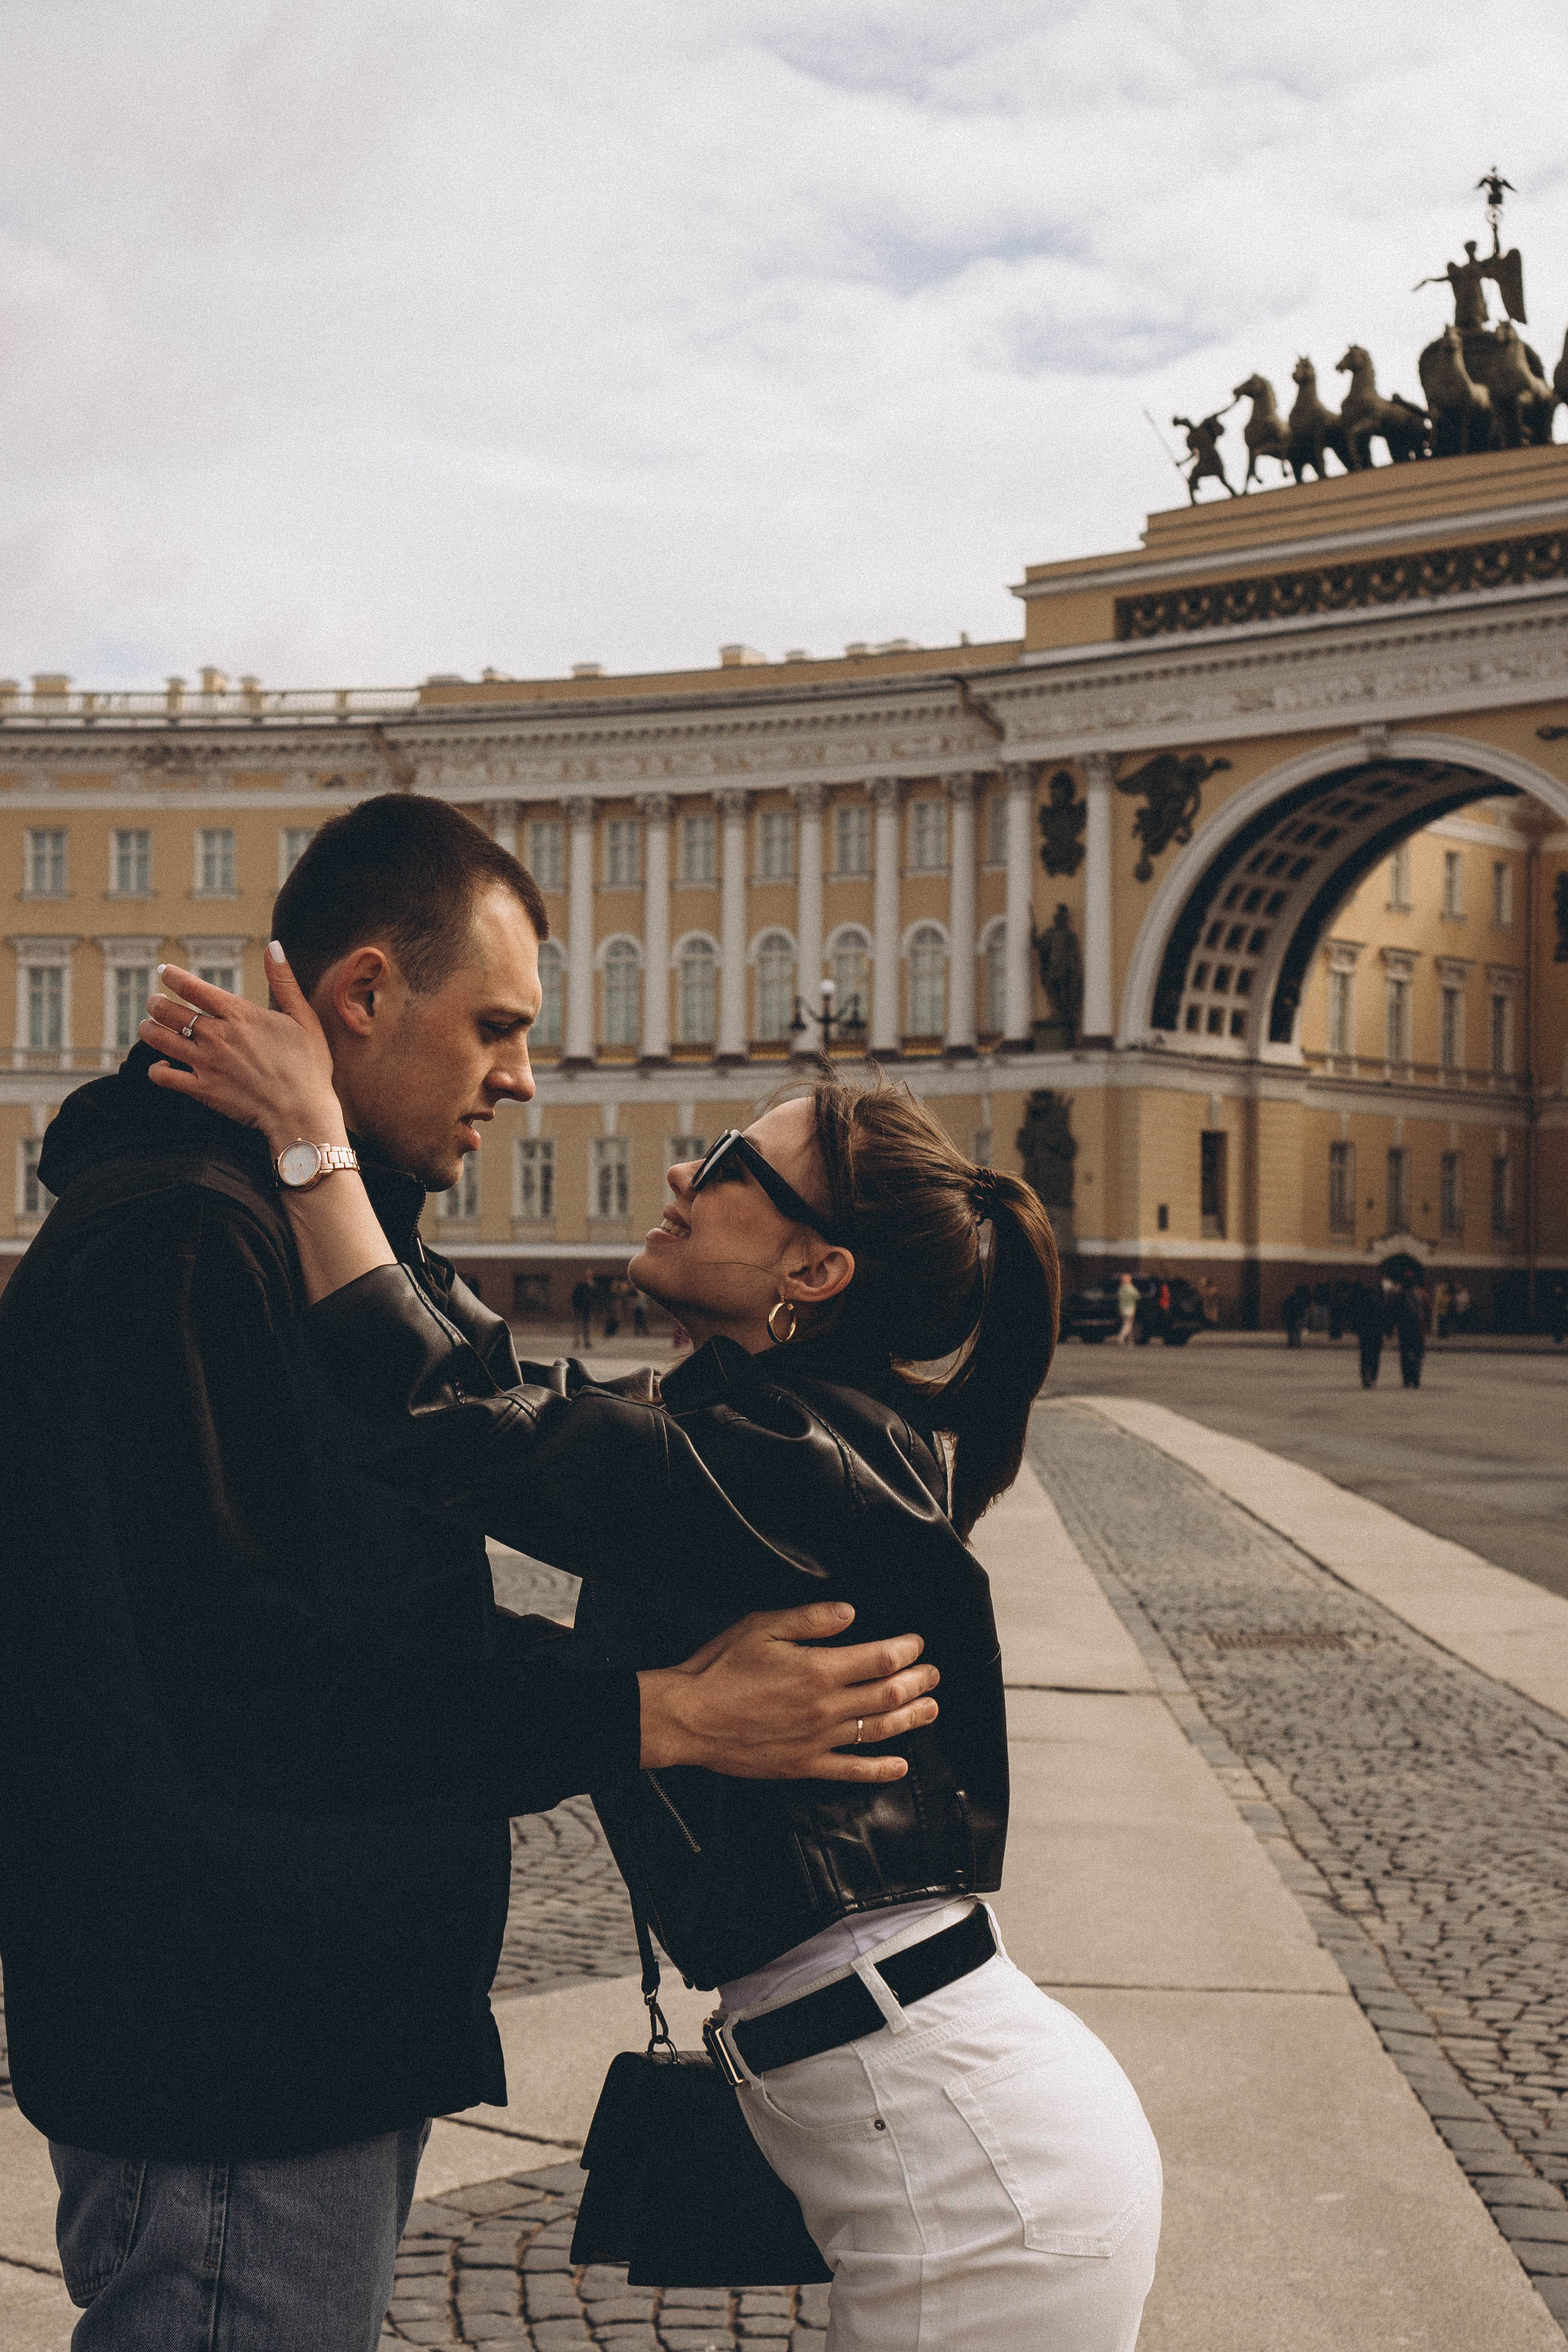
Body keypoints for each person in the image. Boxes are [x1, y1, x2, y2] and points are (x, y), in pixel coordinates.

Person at [0, 796, 938, 2352]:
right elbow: (257, 1681)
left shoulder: (294, 1233)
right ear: (364, 996)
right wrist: (653, 1710)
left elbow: (464, 1465)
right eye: (495, 1025)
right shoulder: (185, 1239)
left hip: (302, 2027)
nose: (521, 1073)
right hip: (240, 2046)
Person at [136, 952, 1164, 2352]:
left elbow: (447, 1419)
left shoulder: (796, 1462)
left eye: (735, 1160)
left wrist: (314, 1137)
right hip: (939, 2130)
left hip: (971, 2181)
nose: (684, 1167)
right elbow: (511, 1413)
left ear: (815, 1267)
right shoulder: (769, 1444)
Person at [1352, 1281, 1387, 1389]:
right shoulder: (1380, 1305)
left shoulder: (1362, 1305)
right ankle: (1373, 1378)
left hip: (1365, 1334)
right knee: (1375, 1358)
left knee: (1365, 1357)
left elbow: (1357, 1320)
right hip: (1377, 1334)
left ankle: (1365, 1378)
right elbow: (1384, 1320)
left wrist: (1358, 1332)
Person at [1394, 1281, 1427, 1390]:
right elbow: (1428, 1310)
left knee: (1405, 1355)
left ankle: (1407, 1380)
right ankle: (1416, 1378)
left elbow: (1395, 1312)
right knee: (1418, 1355)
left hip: (1404, 1330)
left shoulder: (1400, 1295)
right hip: (1418, 1330)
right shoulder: (1422, 1294)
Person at [571, 1274, 595, 1350]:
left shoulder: (590, 1287)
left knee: (586, 1326)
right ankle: (577, 1342)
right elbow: (575, 1297)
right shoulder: (579, 1287)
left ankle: (586, 1342)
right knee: (578, 1326)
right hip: (579, 1308)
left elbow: (594, 1297)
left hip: (587, 1309)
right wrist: (576, 1307)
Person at [1115, 1270, 1139, 1346]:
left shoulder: (1121, 1289)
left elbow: (1120, 1299)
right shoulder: (1131, 1288)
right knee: (1128, 1325)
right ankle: (1121, 1338)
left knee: (1127, 1324)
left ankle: (1130, 1341)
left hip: (1123, 1309)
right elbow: (1137, 1296)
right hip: (1130, 1308)